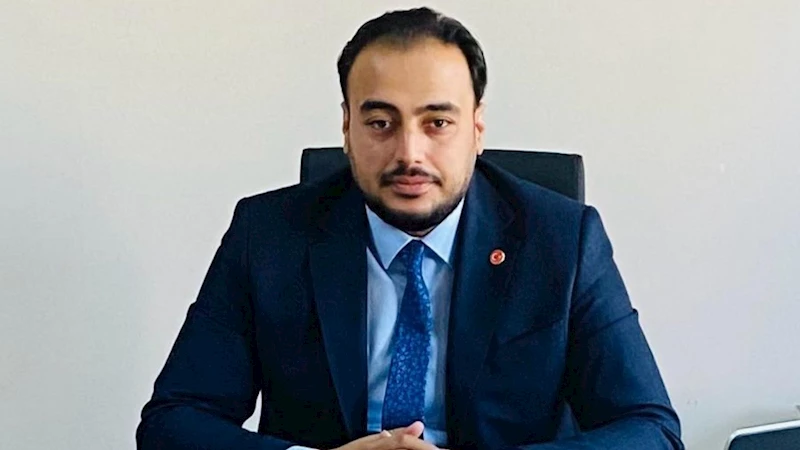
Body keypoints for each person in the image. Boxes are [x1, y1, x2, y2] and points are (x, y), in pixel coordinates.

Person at [137, 7, 683, 450]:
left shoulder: (562, 240)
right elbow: (173, 422)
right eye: (380, 123)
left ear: (477, 128)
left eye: (437, 122)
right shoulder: (268, 236)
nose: (409, 154)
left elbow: (649, 430)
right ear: (347, 127)